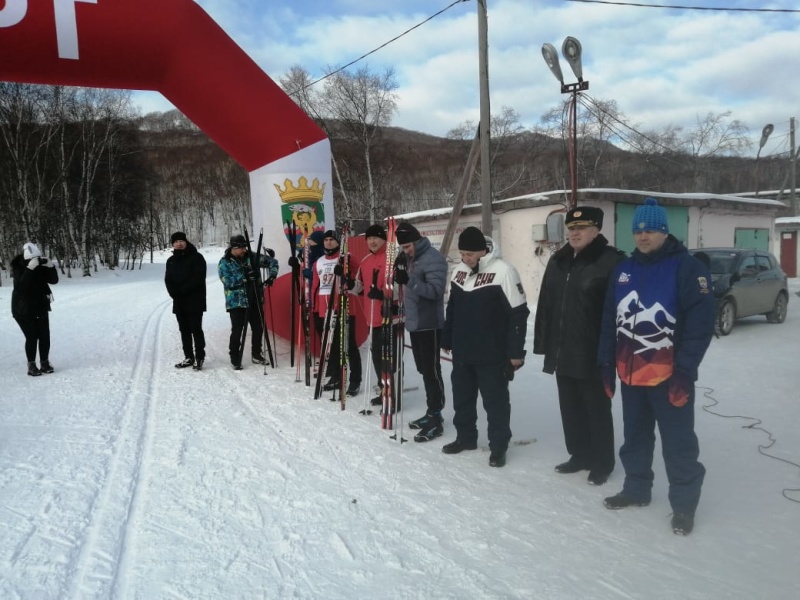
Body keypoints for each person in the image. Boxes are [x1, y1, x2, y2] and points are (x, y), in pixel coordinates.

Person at [598, 197, 715, 535]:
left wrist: (685, 371)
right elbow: (609, 318)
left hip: (669, 376)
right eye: (638, 230)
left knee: (678, 443)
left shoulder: (687, 268)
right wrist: (606, 362)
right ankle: (636, 489)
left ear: (665, 231)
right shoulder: (623, 270)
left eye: (650, 230)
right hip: (630, 373)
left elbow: (700, 325)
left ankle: (683, 505)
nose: (643, 236)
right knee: (634, 437)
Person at [533, 207, 625, 485]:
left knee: (596, 409)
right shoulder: (558, 260)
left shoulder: (610, 261)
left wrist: (611, 351)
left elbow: (620, 311)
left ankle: (602, 462)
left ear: (596, 230)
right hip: (562, 348)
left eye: (582, 228)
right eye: (571, 228)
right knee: (570, 407)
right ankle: (580, 455)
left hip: (593, 350)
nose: (574, 232)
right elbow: (546, 303)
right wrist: (543, 343)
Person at [440, 226, 529, 468]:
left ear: (482, 251)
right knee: (462, 399)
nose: (465, 258)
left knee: (495, 402)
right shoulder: (458, 272)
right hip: (463, 351)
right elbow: (453, 310)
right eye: (462, 254)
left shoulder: (503, 271)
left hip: (492, 353)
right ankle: (465, 437)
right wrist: (446, 339)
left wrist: (515, 353)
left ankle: (498, 446)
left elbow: (518, 315)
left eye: (470, 254)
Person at [393, 222, 448, 442]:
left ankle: (437, 415)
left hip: (430, 324)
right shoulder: (410, 259)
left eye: (407, 247)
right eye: (402, 248)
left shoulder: (434, 259)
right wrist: (400, 271)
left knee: (432, 370)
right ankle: (430, 410)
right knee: (423, 369)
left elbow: (435, 292)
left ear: (416, 241)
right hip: (415, 323)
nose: (405, 251)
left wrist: (409, 280)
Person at [352, 224, 398, 407]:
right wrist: (349, 284)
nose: (372, 241)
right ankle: (384, 390)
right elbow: (359, 287)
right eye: (369, 238)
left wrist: (384, 295)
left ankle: (394, 394)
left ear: (384, 239)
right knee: (377, 356)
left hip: (391, 317)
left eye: (376, 238)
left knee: (390, 358)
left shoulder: (392, 258)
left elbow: (404, 288)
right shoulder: (365, 261)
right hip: (373, 318)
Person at [311, 230, 362, 396]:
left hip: (343, 306)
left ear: (338, 242)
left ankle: (355, 380)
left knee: (348, 345)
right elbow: (315, 286)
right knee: (330, 345)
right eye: (326, 240)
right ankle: (336, 376)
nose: (328, 242)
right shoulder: (318, 262)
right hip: (323, 307)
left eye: (331, 240)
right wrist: (314, 306)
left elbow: (358, 278)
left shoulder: (347, 258)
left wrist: (346, 276)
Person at [218, 234, 279, 370]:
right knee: (237, 331)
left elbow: (272, 262)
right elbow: (227, 282)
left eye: (245, 247)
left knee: (258, 328)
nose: (244, 250)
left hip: (255, 298)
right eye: (241, 248)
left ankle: (256, 354)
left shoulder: (252, 256)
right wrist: (245, 277)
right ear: (233, 248)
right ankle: (235, 356)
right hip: (237, 302)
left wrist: (272, 275)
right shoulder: (225, 262)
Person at [11, 242, 59, 376]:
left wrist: (51, 266)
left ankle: (44, 362)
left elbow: (54, 280)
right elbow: (21, 287)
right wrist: (29, 269)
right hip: (23, 309)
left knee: (44, 336)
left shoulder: (40, 267)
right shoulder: (19, 267)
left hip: (40, 306)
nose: (36, 260)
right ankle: (31, 365)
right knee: (32, 337)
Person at [165, 231, 207, 370]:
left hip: (195, 300)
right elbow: (168, 280)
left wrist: (182, 291)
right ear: (173, 244)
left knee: (196, 329)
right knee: (184, 330)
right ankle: (189, 357)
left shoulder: (196, 257)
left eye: (181, 241)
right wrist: (173, 293)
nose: (179, 243)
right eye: (176, 242)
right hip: (179, 301)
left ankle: (199, 357)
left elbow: (199, 278)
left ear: (186, 241)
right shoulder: (171, 261)